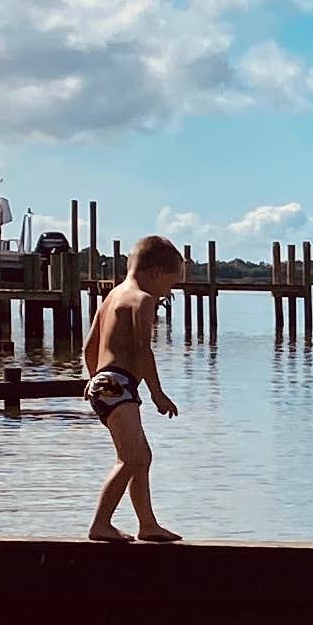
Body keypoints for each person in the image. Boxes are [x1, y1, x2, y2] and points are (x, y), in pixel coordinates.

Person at [83, 233, 188, 543]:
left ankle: (148, 524)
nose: (169, 292)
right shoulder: (142, 300)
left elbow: (90, 346)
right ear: (155, 274)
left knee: (141, 456)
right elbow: (144, 352)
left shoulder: (112, 296)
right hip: (119, 384)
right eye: (170, 284)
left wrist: (92, 380)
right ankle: (101, 524)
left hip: (104, 382)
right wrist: (157, 392)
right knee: (130, 458)